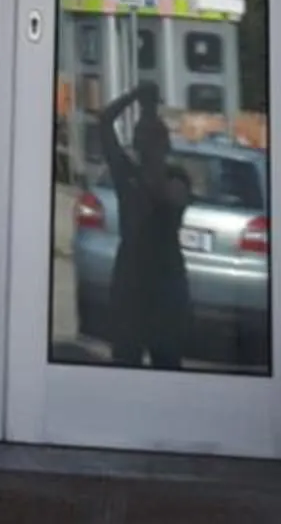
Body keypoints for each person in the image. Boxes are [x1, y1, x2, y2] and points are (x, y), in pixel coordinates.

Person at [97, 81, 192, 368]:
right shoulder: (126, 173)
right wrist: (136, 97)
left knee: (167, 359)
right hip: (130, 277)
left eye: (153, 137)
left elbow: (170, 197)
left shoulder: (177, 178)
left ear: (164, 144)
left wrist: (150, 120)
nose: (145, 141)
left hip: (164, 280)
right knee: (126, 357)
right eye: (141, 136)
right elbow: (104, 122)